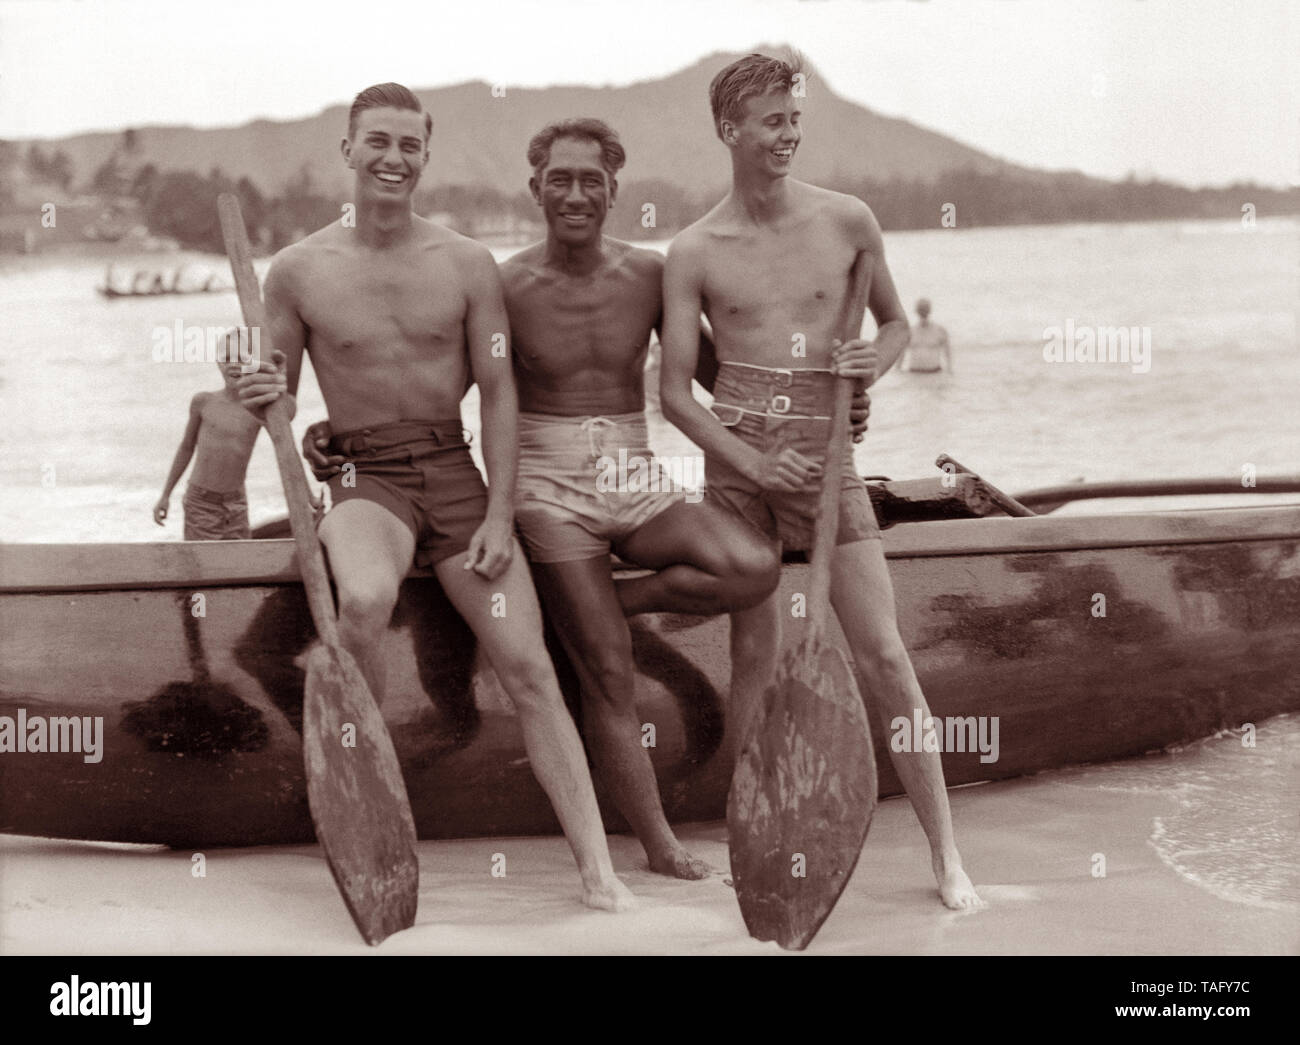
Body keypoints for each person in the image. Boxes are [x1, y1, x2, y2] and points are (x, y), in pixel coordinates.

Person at [303, 117, 870, 880]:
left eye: (591, 180)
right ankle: (659, 840)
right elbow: (433, 383)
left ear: (614, 190)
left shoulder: (649, 275)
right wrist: (335, 436)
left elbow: (724, 378)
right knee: (606, 672)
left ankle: (601, 599)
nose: (575, 194)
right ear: (535, 188)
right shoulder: (500, 283)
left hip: (632, 474)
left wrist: (832, 405)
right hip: (544, 483)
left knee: (753, 567)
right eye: (559, 180)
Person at [234, 83, 632, 912]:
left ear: (426, 153)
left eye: (408, 144)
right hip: (361, 476)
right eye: (376, 141)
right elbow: (272, 388)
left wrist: (496, 513)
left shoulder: (466, 265)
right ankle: (361, 797)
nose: (393, 158)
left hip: (454, 475)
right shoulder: (300, 269)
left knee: (527, 664)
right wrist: (247, 378)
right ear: (348, 150)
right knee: (369, 598)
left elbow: (498, 393)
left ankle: (598, 870)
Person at [659, 53, 982, 910]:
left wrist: (864, 366)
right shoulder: (692, 249)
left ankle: (947, 855)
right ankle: (760, 842)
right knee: (755, 658)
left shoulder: (848, 222)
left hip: (828, 458)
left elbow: (894, 327)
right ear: (730, 130)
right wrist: (755, 458)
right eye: (771, 121)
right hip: (737, 473)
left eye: (795, 119)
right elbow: (674, 392)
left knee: (883, 654)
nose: (788, 134)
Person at [154, 359, 260, 539]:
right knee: (201, 564)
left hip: (236, 504)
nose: (234, 364)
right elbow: (187, 447)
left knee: (241, 562)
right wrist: (165, 495)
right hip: (201, 503)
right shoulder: (203, 401)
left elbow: (284, 449)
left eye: (242, 359)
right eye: (227, 359)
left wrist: (306, 496)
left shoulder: (258, 408)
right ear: (219, 364)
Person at [902, 298, 952, 372]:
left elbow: (947, 353)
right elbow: (901, 354)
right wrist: (898, 371)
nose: (923, 311)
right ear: (916, 311)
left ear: (930, 310)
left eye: (925, 309)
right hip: (913, 373)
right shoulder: (909, 331)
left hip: (934, 373)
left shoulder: (940, 330)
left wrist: (949, 370)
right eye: (921, 309)